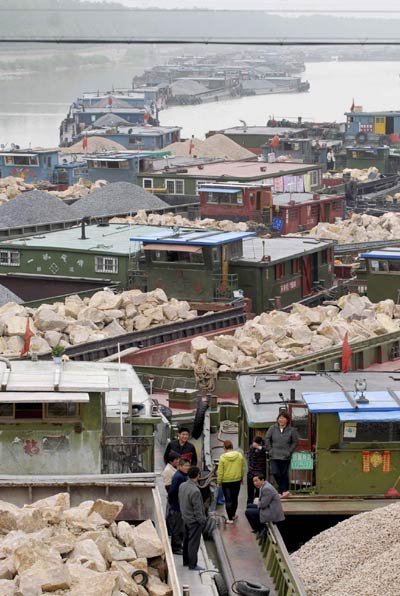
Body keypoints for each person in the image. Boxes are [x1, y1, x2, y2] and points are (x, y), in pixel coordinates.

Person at [179, 465, 206, 571]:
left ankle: (185, 561)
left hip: (185, 518)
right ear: (198, 475)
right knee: (193, 543)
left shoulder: (182, 486)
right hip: (194, 521)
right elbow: (198, 509)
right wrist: (202, 521)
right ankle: (193, 564)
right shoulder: (195, 491)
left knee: (186, 541)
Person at [265, 411, 299, 497]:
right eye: (280, 418)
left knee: (284, 474)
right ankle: (284, 489)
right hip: (274, 455)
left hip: (285, 456)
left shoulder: (291, 430)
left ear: (287, 420)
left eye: (283, 418)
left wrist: (289, 451)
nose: (281, 420)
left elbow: (295, 442)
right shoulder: (272, 428)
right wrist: (270, 450)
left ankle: (281, 492)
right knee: (275, 472)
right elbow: (267, 438)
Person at [217, 439, 245, 523]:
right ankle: (233, 514)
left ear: (224, 448)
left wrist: (219, 482)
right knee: (234, 498)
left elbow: (220, 471)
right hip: (236, 480)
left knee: (228, 499)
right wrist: (241, 478)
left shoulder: (222, 457)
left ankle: (229, 519)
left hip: (226, 481)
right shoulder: (239, 455)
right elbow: (242, 468)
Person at [167, 458, 191, 555]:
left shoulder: (183, 476)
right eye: (185, 466)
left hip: (180, 506)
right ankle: (176, 548)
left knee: (180, 527)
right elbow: (172, 491)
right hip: (177, 506)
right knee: (177, 527)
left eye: (188, 466)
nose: (187, 468)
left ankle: (178, 545)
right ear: (180, 466)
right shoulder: (179, 477)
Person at [247, 436, 267, 505]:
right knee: (258, 493)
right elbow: (265, 450)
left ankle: (249, 506)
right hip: (259, 474)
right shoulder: (262, 451)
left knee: (250, 492)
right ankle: (256, 506)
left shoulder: (251, 449)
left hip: (251, 473)